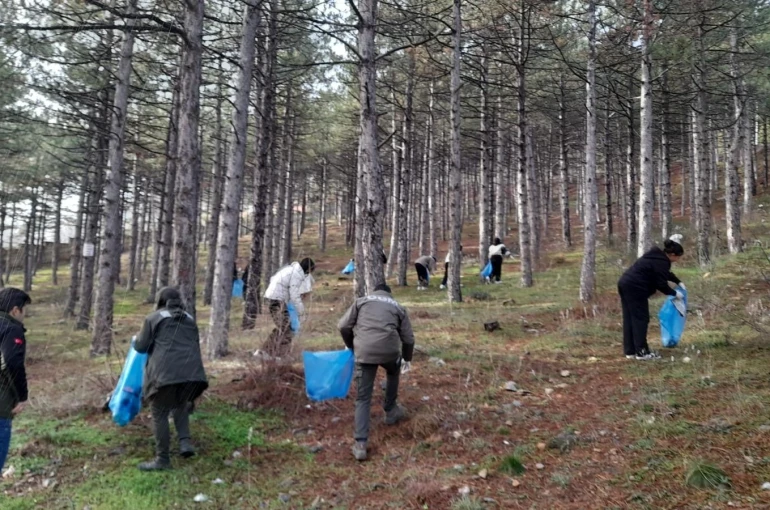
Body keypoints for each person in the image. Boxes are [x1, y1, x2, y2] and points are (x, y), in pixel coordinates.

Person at [337, 283, 414, 461]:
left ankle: (361, 444)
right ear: (389, 294)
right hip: (389, 353)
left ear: (374, 292)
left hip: (364, 353)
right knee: (393, 371)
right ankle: (390, 409)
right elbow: (409, 338)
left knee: (363, 397)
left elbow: (342, 326)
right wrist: (407, 358)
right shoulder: (398, 307)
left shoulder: (361, 302)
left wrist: (351, 346)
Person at [134, 287, 208, 471]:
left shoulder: (154, 318)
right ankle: (185, 443)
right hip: (193, 375)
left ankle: (163, 460)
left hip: (164, 375)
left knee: (159, 412)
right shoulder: (190, 319)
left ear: (160, 301)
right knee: (180, 403)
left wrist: (135, 340)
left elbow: (141, 347)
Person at [617, 239, 685, 360]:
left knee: (630, 318)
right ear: (673, 255)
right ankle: (642, 352)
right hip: (636, 287)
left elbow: (664, 273)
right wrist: (674, 293)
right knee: (641, 319)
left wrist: (678, 281)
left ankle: (630, 351)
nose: (677, 260)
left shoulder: (656, 257)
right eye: (678, 257)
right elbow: (661, 283)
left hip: (625, 283)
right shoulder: (662, 262)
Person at [0, 288, 31, 472]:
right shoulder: (11, 329)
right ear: (15, 310)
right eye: (24, 309)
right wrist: (22, 396)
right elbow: (12, 362)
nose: (24, 314)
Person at [260, 258, 315, 357]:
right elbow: (294, 296)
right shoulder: (296, 275)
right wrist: (301, 313)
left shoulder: (290, 269)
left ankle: (267, 351)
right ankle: (276, 354)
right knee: (286, 328)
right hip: (276, 300)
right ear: (307, 270)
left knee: (283, 327)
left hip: (272, 298)